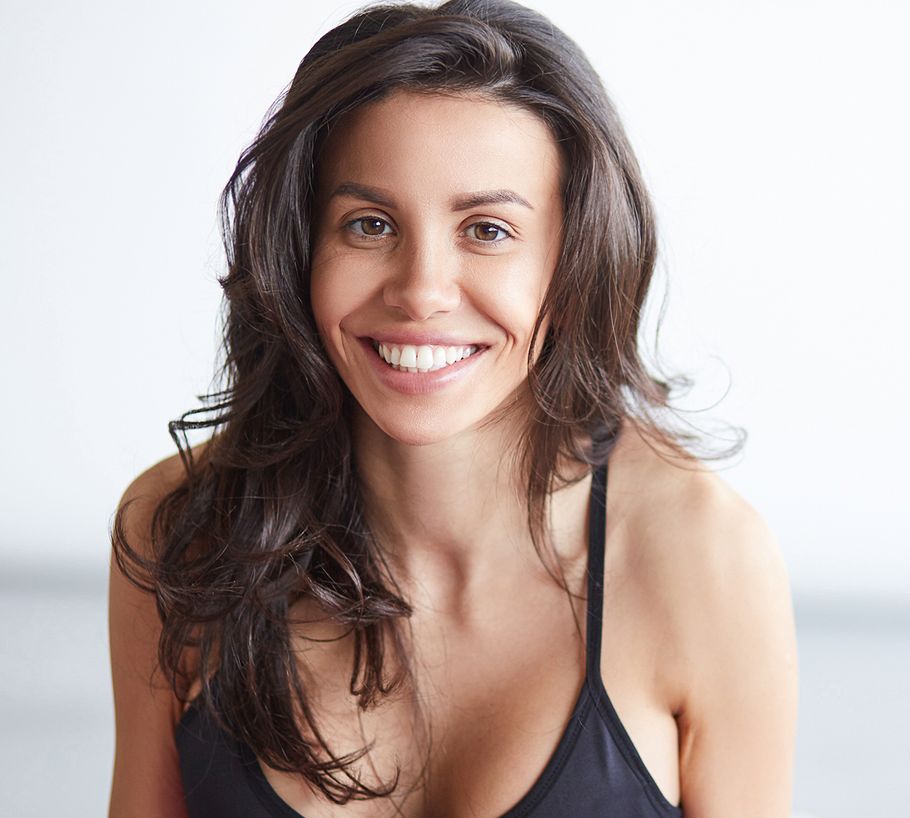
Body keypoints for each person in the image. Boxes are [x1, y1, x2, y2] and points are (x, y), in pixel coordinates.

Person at [108, 1, 797, 816]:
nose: (422, 292)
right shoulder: (181, 532)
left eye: (488, 230)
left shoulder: (703, 559)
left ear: (575, 263)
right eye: (369, 224)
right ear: (300, 251)